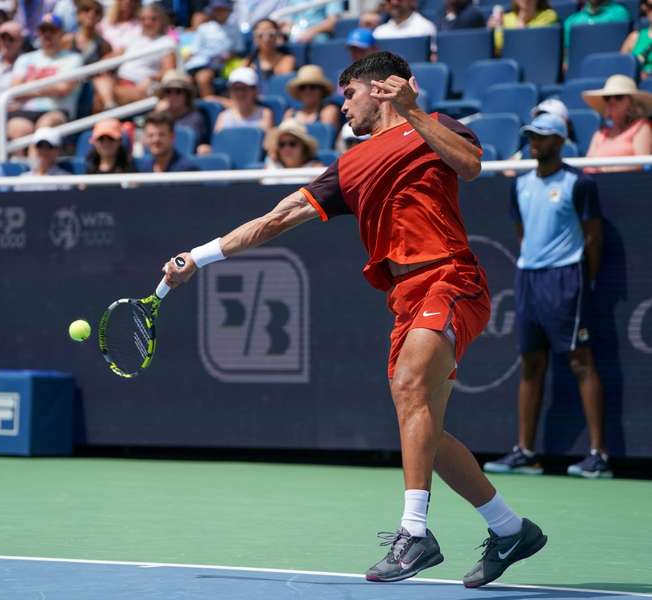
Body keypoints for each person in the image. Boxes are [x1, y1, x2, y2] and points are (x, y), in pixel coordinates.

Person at [161, 51, 546, 588]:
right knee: (425, 434)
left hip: (450, 278)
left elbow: (471, 165)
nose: (343, 106)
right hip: (404, 297)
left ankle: (415, 533)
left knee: (410, 386)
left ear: (382, 88)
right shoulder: (347, 167)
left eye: (349, 94)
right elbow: (278, 218)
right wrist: (197, 257)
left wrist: (412, 112)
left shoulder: (435, 127)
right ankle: (510, 530)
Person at [483, 113, 609, 479]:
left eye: (541, 136)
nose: (533, 142)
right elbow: (522, 232)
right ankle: (525, 451)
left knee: (581, 362)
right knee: (531, 363)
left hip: (566, 278)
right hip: (529, 279)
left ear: (559, 140)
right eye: (530, 136)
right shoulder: (519, 185)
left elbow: (593, 238)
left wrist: (583, 280)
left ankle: (598, 455)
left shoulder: (579, 183)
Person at [8, 14, 83, 141]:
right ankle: (19, 160)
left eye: (52, 30)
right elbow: (15, 90)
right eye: (43, 30)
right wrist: (48, 88)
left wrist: (29, 85)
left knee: (45, 128)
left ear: (61, 33)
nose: (47, 35)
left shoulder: (73, 59)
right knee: (18, 129)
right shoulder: (25, 58)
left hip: (56, 111)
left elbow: (63, 88)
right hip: (26, 112)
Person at [95, 3, 176, 109]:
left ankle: (109, 105)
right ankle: (109, 104)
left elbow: (169, 70)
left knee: (101, 96)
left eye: (153, 19)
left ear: (161, 20)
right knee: (100, 81)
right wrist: (99, 65)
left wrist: (152, 78)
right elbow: (118, 54)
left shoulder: (166, 42)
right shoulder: (135, 36)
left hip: (141, 86)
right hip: (119, 81)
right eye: (143, 19)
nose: (148, 22)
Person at [582, 74, 652, 173]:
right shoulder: (600, 134)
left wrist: (608, 170)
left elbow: (643, 166)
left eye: (618, 97)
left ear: (631, 102)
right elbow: (587, 167)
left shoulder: (641, 128)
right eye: (607, 97)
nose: (612, 101)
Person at [184, 0, 244, 99]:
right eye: (217, 10)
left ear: (229, 10)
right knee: (184, 81)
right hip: (198, 63)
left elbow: (238, 49)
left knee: (203, 78)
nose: (219, 12)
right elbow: (195, 50)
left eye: (222, 9)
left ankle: (209, 105)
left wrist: (228, 56)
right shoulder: (203, 28)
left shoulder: (235, 28)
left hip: (219, 64)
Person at [155, 69, 209, 152]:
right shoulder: (161, 116)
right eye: (168, 91)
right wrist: (157, 116)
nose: (173, 96)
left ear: (186, 95)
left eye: (178, 91)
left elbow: (184, 145)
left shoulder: (195, 119)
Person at [563, 0, 630, 62]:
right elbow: (567, 56)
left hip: (610, 67)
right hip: (578, 71)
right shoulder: (572, 21)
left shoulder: (620, 14)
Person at [213, 67, 274, 133]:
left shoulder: (265, 114)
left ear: (255, 91)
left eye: (244, 89)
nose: (240, 93)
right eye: (235, 89)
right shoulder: (223, 117)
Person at [283, 65, 341, 131]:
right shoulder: (290, 114)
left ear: (322, 90)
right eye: (302, 87)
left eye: (313, 86)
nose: (307, 91)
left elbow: (326, 138)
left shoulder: (328, 111)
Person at [488, 0, 557, 54]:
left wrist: (522, 23)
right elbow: (499, 47)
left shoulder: (549, 15)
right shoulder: (505, 18)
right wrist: (493, 30)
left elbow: (533, 44)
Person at [241, 18, 295, 85]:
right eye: (260, 35)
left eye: (271, 34)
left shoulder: (287, 60)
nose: (266, 39)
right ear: (254, 38)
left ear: (277, 36)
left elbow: (282, 84)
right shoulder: (247, 63)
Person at [62, 0, 111, 65]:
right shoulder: (67, 40)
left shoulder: (104, 45)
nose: (92, 14)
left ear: (100, 17)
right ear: (78, 15)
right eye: (86, 10)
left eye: (97, 12)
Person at [373, 0, 438, 40]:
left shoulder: (425, 28)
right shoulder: (379, 32)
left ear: (412, 1)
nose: (394, 2)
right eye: (389, 0)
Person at [620, 0, 652, 80]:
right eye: (650, 6)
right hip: (634, 83)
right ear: (644, 8)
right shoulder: (634, 37)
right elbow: (621, 66)